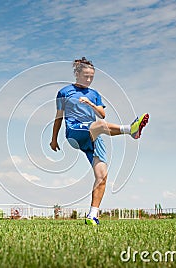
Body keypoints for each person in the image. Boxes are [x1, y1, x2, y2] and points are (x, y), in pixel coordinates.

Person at [50, 57, 149, 225]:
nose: (88, 79)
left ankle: (92, 215)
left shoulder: (94, 94)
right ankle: (130, 130)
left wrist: (90, 103)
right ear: (77, 73)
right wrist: (54, 139)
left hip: (94, 136)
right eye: (85, 76)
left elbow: (102, 114)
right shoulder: (64, 92)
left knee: (102, 176)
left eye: (91, 77)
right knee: (100, 126)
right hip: (75, 132)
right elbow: (59, 117)